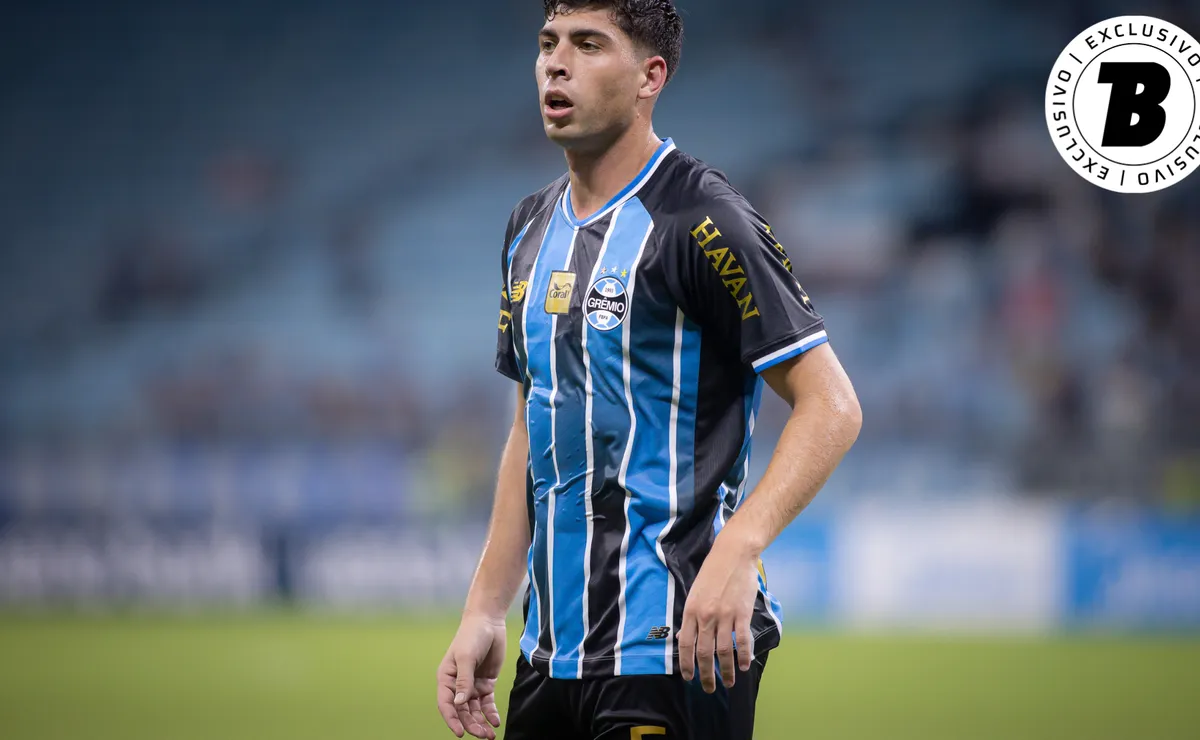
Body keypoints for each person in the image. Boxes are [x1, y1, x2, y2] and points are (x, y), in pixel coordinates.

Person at [436, 2, 862, 738]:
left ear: (649, 76)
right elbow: (530, 431)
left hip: (677, 647)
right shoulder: (527, 228)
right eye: (547, 44)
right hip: (550, 658)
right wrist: (484, 608)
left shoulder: (702, 220)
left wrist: (739, 550)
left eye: (588, 44)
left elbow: (831, 405)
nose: (555, 64)